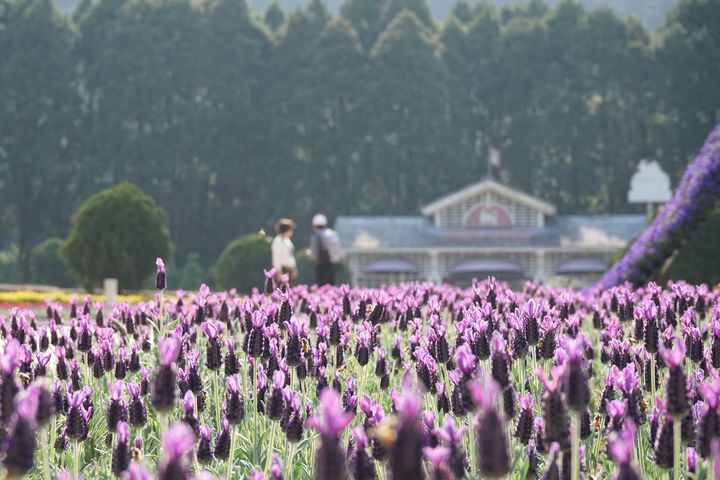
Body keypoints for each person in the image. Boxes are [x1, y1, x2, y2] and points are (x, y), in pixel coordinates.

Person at [308, 213, 342, 286]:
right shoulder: (332, 234)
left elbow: (314, 254)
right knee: (331, 286)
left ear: (314, 226)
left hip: (321, 265)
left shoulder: (316, 236)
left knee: (321, 287)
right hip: (332, 265)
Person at [271, 218, 298, 282]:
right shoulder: (278, 241)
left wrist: (293, 267)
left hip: (288, 269)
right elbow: (276, 257)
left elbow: (290, 255)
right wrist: (278, 271)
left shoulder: (287, 240)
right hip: (282, 269)